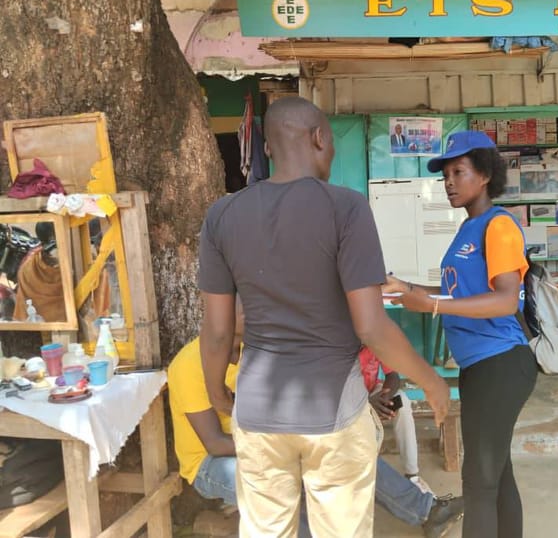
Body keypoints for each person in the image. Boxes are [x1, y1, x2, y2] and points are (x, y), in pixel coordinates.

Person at [198, 96, 449, 538]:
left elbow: (217, 331)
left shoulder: (222, 215)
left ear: (268, 147)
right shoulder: (346, 208)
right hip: (333, 412)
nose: (331, 152)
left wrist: (217, 392)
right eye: (330, 143)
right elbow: (371, 326)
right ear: (318, 138)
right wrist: (431, 382)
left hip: (256, 411)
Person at [169, 317, 463, 538]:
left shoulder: (256, 352)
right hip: (211, 464)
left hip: (266, 442)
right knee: (283, 488)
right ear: (222, 312)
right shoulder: (190, 364)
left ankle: (427, 512)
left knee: (351, 450)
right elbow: (214, 443)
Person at [384, 131, 538, 538]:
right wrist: (407, 288)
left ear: (484, 175)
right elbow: (459, 292)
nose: (448, 182)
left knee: (478, 483)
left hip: (501, 362)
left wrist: (432, 306)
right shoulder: (469, 228)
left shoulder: (499, 226)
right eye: (445, 176)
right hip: (478, 366)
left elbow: (505, 299)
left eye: (458, 172)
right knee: (497, 474)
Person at [359, 346, 431, 494]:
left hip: (373, 391)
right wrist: (366, 403)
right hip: (345, 399)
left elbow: (392, 376)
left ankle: (412, 475)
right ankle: (368, 480)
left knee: (402, 401)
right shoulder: (340, 343)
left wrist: (385, 397)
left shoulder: (375, 340)